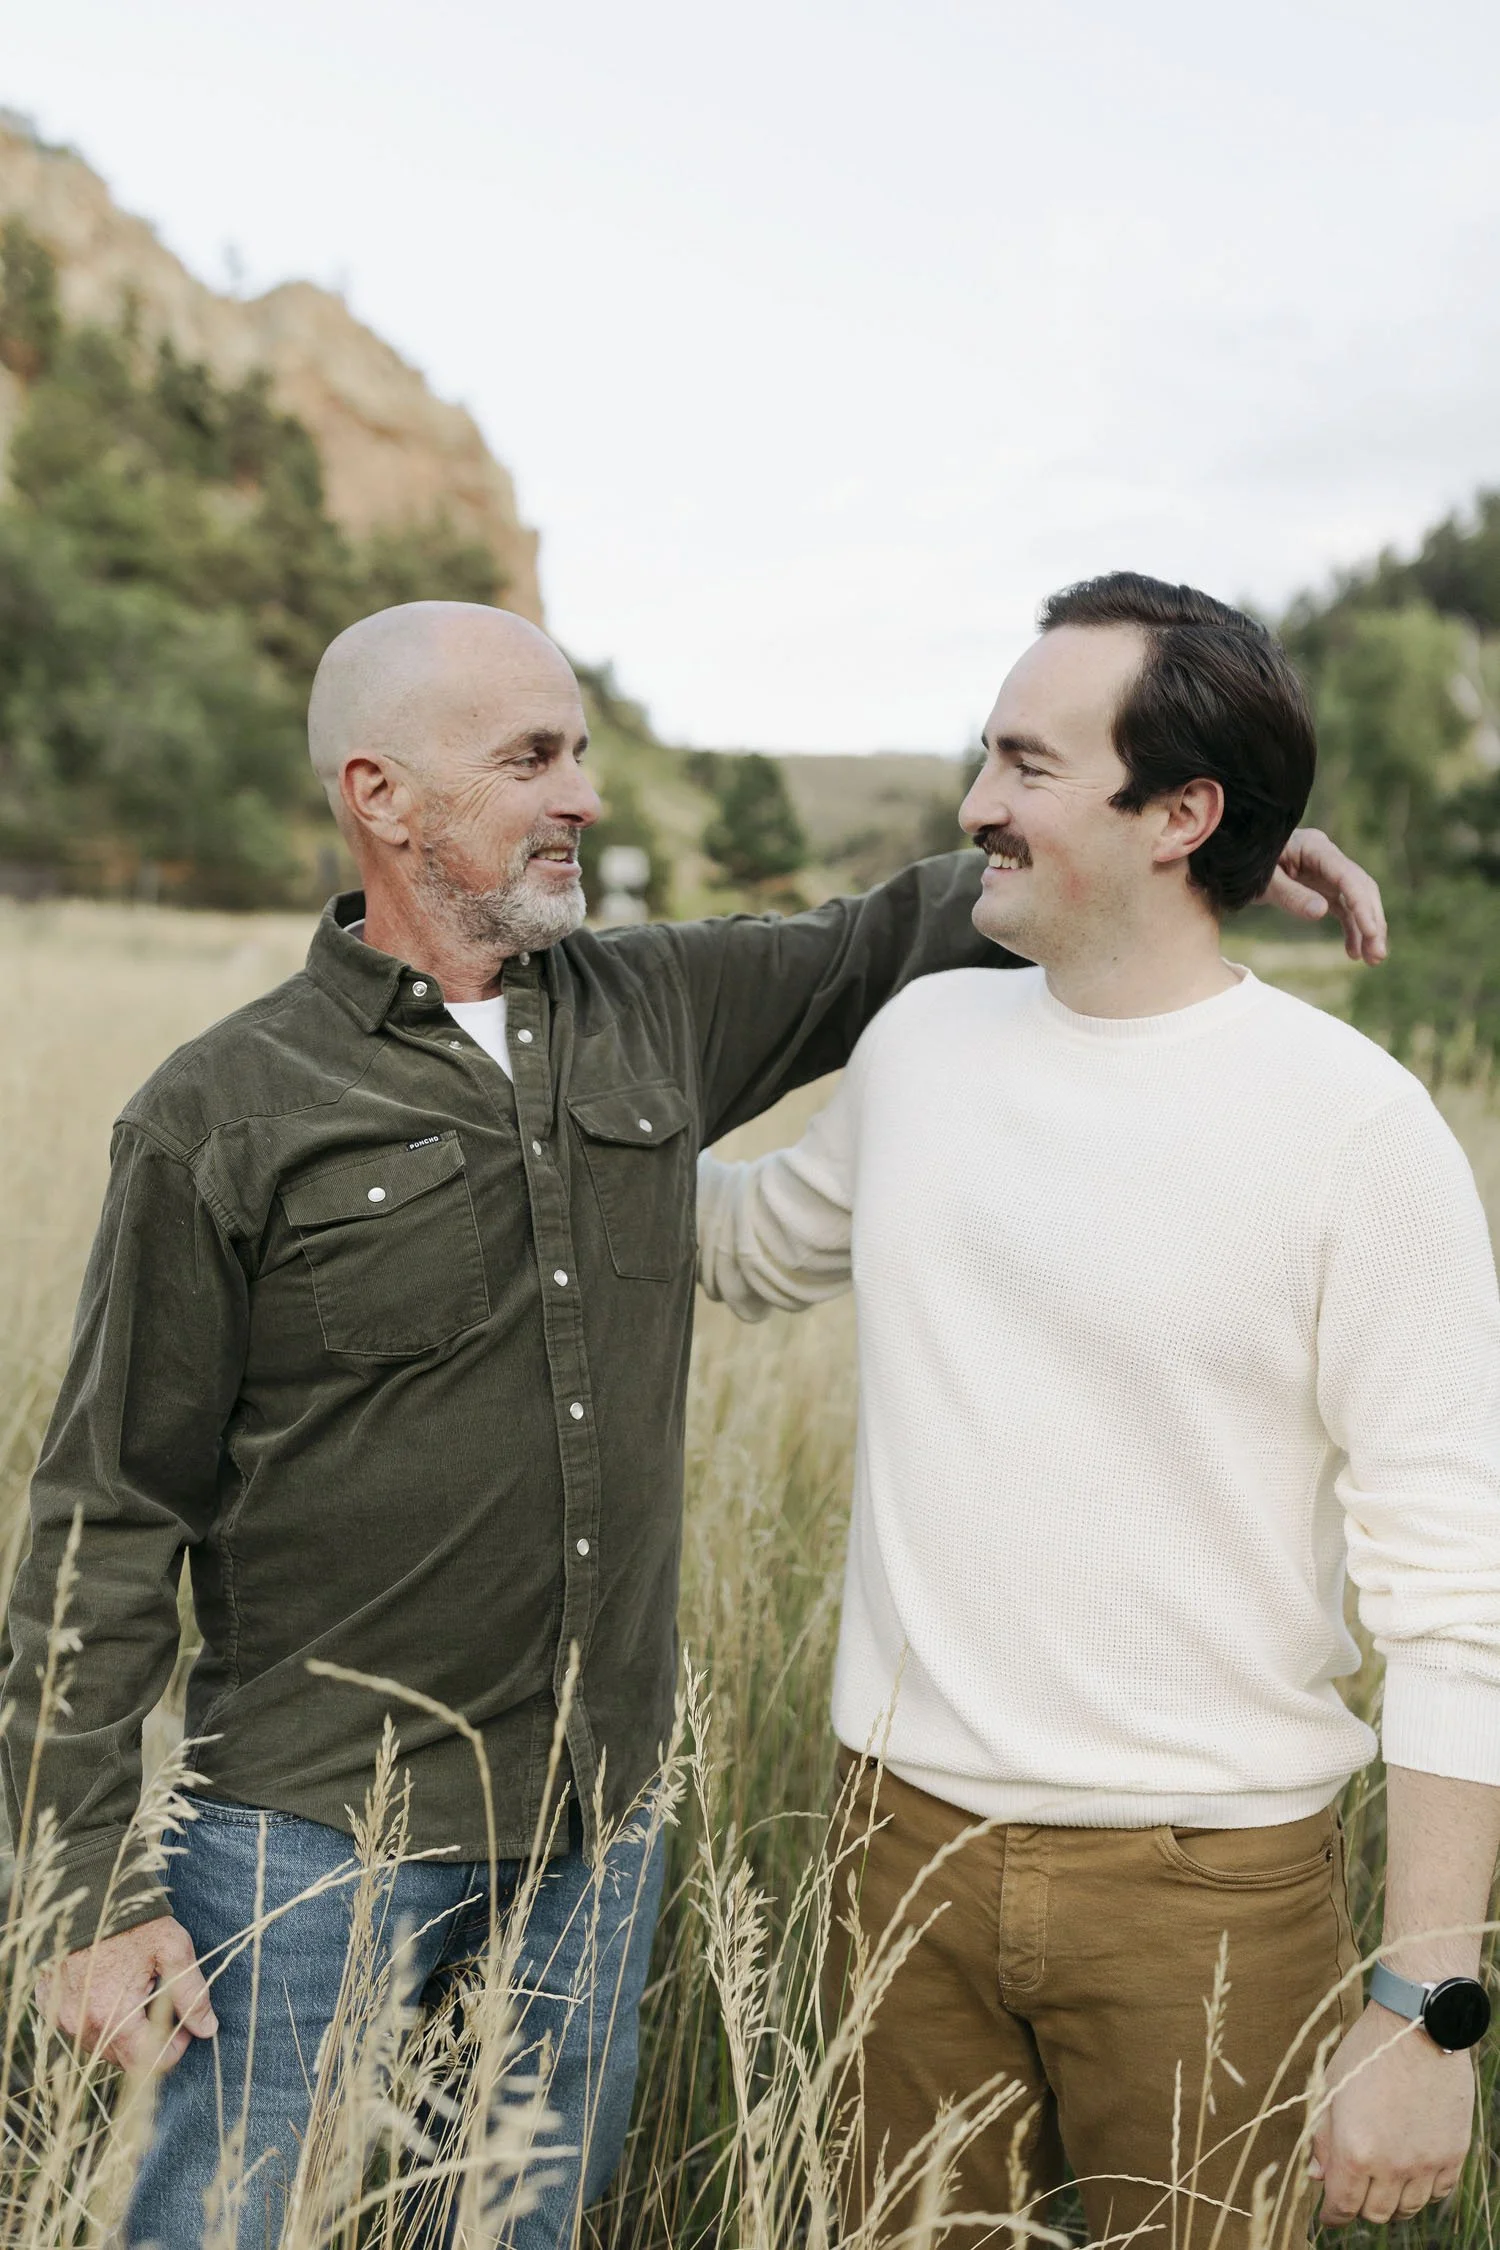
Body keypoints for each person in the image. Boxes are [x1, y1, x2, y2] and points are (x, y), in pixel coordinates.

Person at [2, 600, 1380, 2250]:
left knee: (521, 2225)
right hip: (307, 1845)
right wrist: (84, 1888)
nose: (584, 793)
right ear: (382, 796)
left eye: (582, 748)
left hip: (593, 1837)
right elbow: (106, 1510)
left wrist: (1200, 833)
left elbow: (880, 935)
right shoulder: (221, 1112)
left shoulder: (647, 1007)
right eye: (532, 759)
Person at [697, 574, 1500, 2247]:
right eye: (983, 754)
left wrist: (1428, 2003)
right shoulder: (922, 1044)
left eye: (1027, 766)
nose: (976, 804)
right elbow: (750, 1245)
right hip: (894, 1860)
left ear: (1181, 814)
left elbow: (1458, 1598)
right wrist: (496, 1077)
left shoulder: (1358, 1129)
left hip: (1207, 1893)